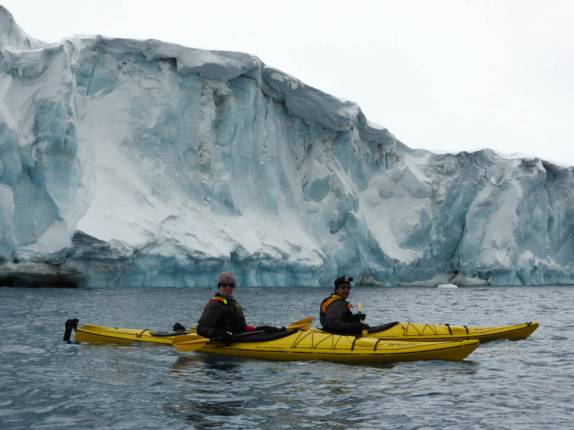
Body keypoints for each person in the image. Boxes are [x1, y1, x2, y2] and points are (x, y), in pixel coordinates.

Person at [197, 272, 282, 341]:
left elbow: (241, 327)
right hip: (221, 340)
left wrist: (259, 329)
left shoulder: (234, 304)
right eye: (224, 285)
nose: (228, 287)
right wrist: (218, 334)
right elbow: (201, 329)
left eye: (231, 285)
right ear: (219, 286)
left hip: (237, 336)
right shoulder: (215, 305)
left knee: (267, 330)